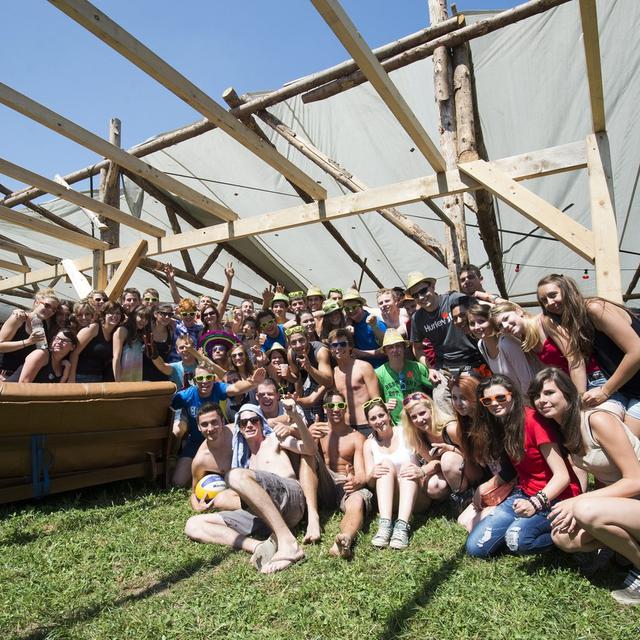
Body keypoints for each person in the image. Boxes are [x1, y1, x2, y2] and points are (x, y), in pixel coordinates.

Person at [529, 368, 640, 601]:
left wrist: (580, 501)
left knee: (585, 511)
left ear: (568, 393)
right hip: (626, 504)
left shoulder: (597, 420)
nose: (542, 400)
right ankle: (622, 549)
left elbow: (635, 480)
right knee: (562, 536)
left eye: (549, 392)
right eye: (536, 395)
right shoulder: (566, 431)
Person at [184, 399, 314, 574]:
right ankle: (259, 546)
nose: (249, 425)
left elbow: (309, 449)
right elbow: (195, 489)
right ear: (239, 428)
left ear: (261, 421)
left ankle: (288, 543)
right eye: (244, 423)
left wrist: (296, 418)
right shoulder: (242, 457)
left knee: (234, 475)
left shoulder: (275, 439)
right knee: (193, 525)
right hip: (264, 515)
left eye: (254, 420)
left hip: (290, 499)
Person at [465, 374, 581, 558]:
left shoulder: (533, 421)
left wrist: (535, 504)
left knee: (517, 541)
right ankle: (520, 530)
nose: (495, 403)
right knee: (476, 548)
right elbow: (511, 470)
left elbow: (563, 476)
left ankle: (567, 532)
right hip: (523, 495)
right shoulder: (501, 423)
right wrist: (485, 487)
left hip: (556, 497)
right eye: (488, 400)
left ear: (513, 396)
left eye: (501, 397)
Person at [537, 273, 640, 435]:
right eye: (543, 300)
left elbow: (637, 351)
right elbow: (576, 362)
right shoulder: (570, 323)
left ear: (568, 290)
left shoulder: (594, 308)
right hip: (630, 388)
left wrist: (605, 390)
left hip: (633, 388)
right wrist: (580, 402)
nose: (549, 303)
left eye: (553, 295)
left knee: (627, 441)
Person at [170, 364, 266, 486]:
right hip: (195, 442)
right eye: (200, 379)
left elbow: (235, 388)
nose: (204, 382)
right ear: (194, 381)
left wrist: (252, 382)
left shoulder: (218, 388)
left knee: (230, 475)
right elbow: (167, 404)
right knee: (178, 482)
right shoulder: (186, 395)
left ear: (213, 378)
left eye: (208, 377)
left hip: (220, 440)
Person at [406, 272, 484, 412]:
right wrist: (430, 368)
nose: (421, 297)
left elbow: (482, 313)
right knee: (441, 401)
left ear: (433, 286)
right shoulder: (417, 318)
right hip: (444, 368)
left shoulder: (454, 299)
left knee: (473, 406)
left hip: (472, 363)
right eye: (416, 295)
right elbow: (417, 348)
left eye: (423, 291)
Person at [310, 389, 372, 558]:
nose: (335, 409)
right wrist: (309, 437)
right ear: (324, 409)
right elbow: (307, 461)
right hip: (321, 482)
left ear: (345, 408)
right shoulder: (316, 430)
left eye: (340, 405)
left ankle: (345, 539)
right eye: (331, 405)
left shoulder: (356, 437)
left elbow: (361, 472)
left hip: (345, 480)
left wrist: (357, 481)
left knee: (358, 500)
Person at [363, 398, 429, 549]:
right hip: (391, 500)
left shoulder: (406, 433)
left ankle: (402, 527)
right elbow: (370, 482)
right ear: (368, 423)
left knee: (407, 466)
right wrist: (373, 473)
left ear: (388, 414)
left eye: (381, 415)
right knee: (385, 464)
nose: (379, 421)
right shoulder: (369, 445)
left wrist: (421, 470)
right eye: (373, 418)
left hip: (415, 496)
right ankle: (385, 526)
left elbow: (434, 462)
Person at [401, 392, 466, 504]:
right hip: (448, 470)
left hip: (469, 469)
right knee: (433, 487)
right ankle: (453, 498)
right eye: (414, 417)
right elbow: (434, 462)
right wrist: (422, 471)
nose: (419, 420)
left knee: (447, 458)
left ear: (431, 409)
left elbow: (472, 457)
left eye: (422, 413)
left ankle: (465, 496)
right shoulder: (418, 436)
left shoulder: (450, 428)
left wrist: (450, 449)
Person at [467, 301, 540, 392]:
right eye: (472, 323)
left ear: (492, 322)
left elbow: (528, 380)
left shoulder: (507, 344)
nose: (477, 327)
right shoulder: (481, 345)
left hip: (529, 396)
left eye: (481, 321)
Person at [328, 328, 380, 435]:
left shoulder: (364, 367)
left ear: (350, 346)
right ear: (330, 349)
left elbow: (376, 399)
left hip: (366, 424)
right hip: (345, 427)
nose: (338, 348)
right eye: (334, 345)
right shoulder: (332, 373)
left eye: (343, 344)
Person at [375, 328, 431, 425]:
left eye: (398, 346)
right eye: (390, 347)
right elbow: (375, 400)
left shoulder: (417, 367)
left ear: (404, 347)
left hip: (420, 421)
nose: (395, 350)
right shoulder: (379, 373)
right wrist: (384, 406)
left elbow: (434, 389)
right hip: (397, 425)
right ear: (385, 351)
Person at [0, 289, 59, 380]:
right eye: (47, 305)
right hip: (5, 375)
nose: (50, 310)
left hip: (23, 377)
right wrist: (28, 342)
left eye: (54, 310)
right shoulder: (19, 318)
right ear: (36, 302)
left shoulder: (44, 326)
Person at [188, 403, 235, 512]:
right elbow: (194, 493)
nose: (210, 428)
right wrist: (198, 507)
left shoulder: (237, 432)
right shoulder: (200, 461)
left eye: (214, 422)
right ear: (199, 427)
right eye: (204, 424)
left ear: (223, 422)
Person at [70, 301, 127, 382]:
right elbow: (74, 353)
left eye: (118, 313)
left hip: (98, 377)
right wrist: (71, 377)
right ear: (104, 315)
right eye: (110, 313)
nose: (115, 316)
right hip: (80, 376)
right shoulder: (93, 328)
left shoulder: (115, 334)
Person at [286, 324, 333, 422]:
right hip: (314, 381)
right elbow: (296, 377)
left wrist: (309, 368)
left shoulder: (321, 351)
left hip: (332, 381)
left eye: (301, 340)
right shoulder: (291, 354)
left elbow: (329, 382)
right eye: (293, 342)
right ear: (289, 344)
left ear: (308, 338)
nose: (298, 345)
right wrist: (288, 375)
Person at [8, 328, 77, 383]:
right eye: (57, 338)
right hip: (9, 396)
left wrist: (67, 370)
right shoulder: (41, 354)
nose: (59, 342)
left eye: (64, 340)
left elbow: (57, 389)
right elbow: (24, 383)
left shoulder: (64, 365)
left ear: (72, 347)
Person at [343, 289, 387, 368]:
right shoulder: (350, 324)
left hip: (381, 369)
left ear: (361, 306)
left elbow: (388, 349)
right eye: (347, 309)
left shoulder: (374, 321)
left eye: (354, 307)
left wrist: (360, 353)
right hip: (362, 370)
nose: (350, 311)